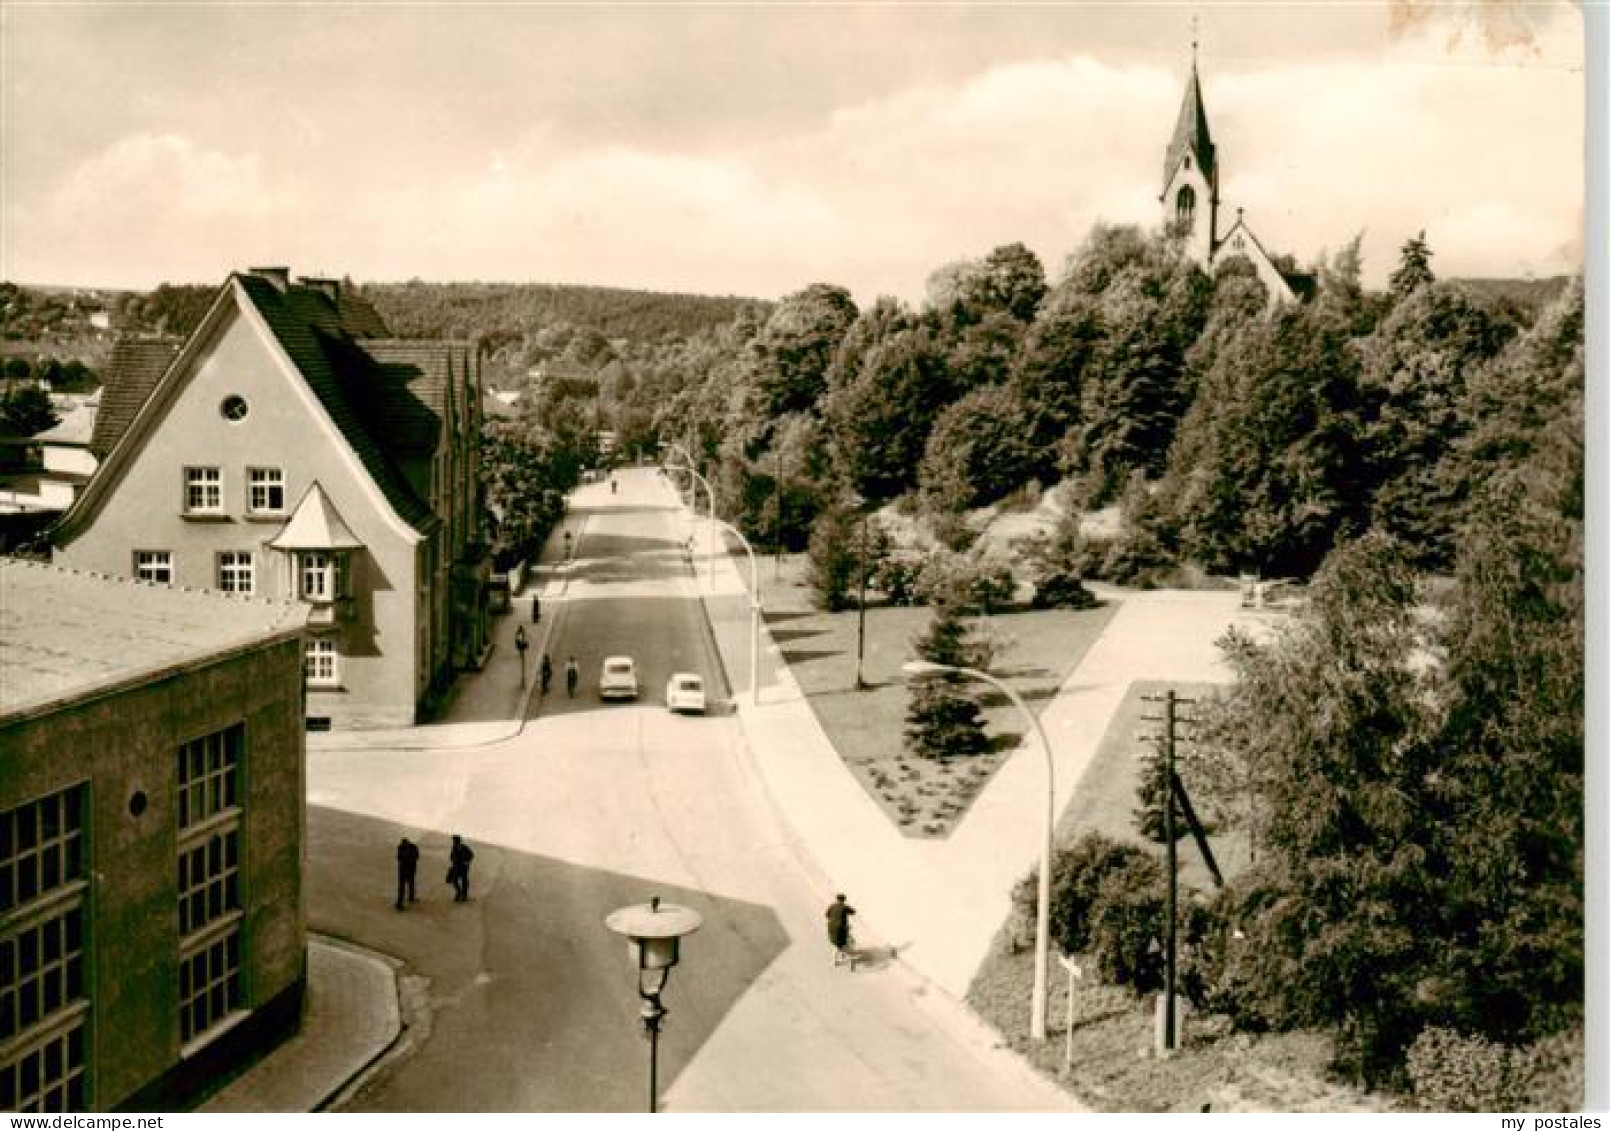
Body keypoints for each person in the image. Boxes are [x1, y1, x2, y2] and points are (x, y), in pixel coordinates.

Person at [826, 893, 856, 966]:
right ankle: (848, 956)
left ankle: (834, 961)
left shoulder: (832, 906)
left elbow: (826, 915)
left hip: (831, 927)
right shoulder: (844, 907)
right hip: (841, 927)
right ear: (843, 900)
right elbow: (853, 912)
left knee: (835, 943)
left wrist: (833, 919)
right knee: (843, 942)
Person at [447, 835, 475, 902]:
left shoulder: (463, 847)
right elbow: (451, 856)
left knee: (461, 881)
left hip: (462, 867)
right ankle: (460, 893)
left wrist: (466, 862)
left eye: (454, 840)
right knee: (455, 880)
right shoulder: (454, 847)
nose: (453, 841)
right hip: (457, 866)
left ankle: (462, 895)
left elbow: (471, 854)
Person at [395, 837, 420, 910]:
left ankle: (409, 898)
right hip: (404, 870)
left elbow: (416, 857)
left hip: (409, 869)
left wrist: (407, 859)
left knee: (410, 884)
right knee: (403, 886)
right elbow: (399, 857)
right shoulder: (401, 848)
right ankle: (400, 902)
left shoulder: (413, 847)